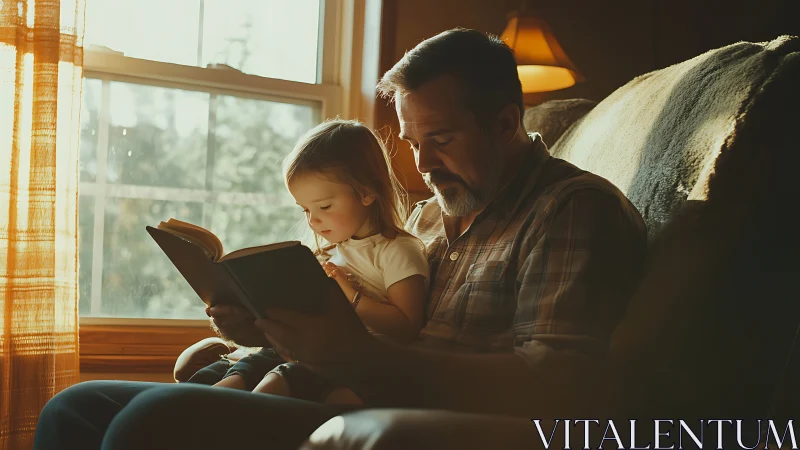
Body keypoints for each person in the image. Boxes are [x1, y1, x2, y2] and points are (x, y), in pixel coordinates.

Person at [34, 28, 647, 450]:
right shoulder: (437, 215)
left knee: (153, 420)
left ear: (507, 122)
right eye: (411, 140)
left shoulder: (570, 209)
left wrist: (359, 357)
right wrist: (269, 324)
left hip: (401, 407)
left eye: (441, 138)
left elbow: (562, 386)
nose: (422, 163)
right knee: (75, 406)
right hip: (356, 380)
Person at [209, 119, 429, 404]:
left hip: (355, 361)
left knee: (275, 382)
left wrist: (350, 296)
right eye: (305, 210)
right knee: (234, 372)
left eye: (324, 206)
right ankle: (212, 397)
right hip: (309, 348)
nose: (313, 220)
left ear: (366, 192)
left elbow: (407, 325)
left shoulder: (397, 249)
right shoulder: (328, 251)